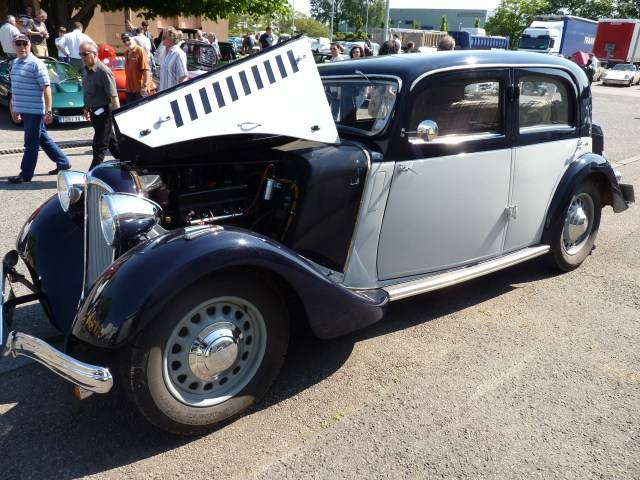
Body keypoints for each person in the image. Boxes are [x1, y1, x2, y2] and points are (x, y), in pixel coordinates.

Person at [7, 34, 71, 184]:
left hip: (35, 111)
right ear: (14, 46)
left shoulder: (37, 64)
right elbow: (15, 89)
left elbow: (46, 89)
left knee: (30, 142)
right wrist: (14, 109)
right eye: (19, 44)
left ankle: (25, 174)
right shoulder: (15, 63)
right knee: (41, 137)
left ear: (30, 45)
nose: (22, 47)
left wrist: (48, 111)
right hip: (23, 109)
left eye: (25, 44)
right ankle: (63, 162)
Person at [79, 40, 120, 170]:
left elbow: (114, 97)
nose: (82, 57)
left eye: (85, 54)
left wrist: (117, 118)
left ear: (95, 54)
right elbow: (88, 91)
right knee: (112, 144)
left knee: (99, 146)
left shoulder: (104, 71)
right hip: (94, 112)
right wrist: (86, 107)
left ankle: (91, 176)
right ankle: (132, 165)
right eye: (80, 54)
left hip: (105, 113)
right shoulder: (86, 70)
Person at [121, 33, 150, 103]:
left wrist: (145, 86)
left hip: (139, 90)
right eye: (124, 41)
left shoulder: (140, 51)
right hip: (129, 90)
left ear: (133, 38)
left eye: (128, 39)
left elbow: (146, 70)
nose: (126, 42)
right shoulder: (126, 53)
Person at [159, 27, 187, 91]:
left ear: (171, 38)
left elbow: (183, 77)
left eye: (163, 38)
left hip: (172, 95)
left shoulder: (178, 54)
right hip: (163, 94)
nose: (162, 40)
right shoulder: (165, 52)